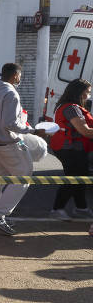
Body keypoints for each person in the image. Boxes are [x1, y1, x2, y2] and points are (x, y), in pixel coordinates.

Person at [0, 63, 44, 235]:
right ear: (15, 75)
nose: (20, 79)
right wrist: (33, 130)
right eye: (20, 76)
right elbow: (10, 123)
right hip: (8, 144)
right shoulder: (10, 93)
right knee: (24, 176)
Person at [49, 78, 93, 220]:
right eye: (87, 92)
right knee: (74, 178)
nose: (88, 95)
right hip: (69, 149)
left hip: (74, 148)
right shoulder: (71, 108)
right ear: (79, 92)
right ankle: (57, 209)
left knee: (81, 176)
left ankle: (81, 208)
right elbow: (85, 131)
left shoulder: (68, 106)